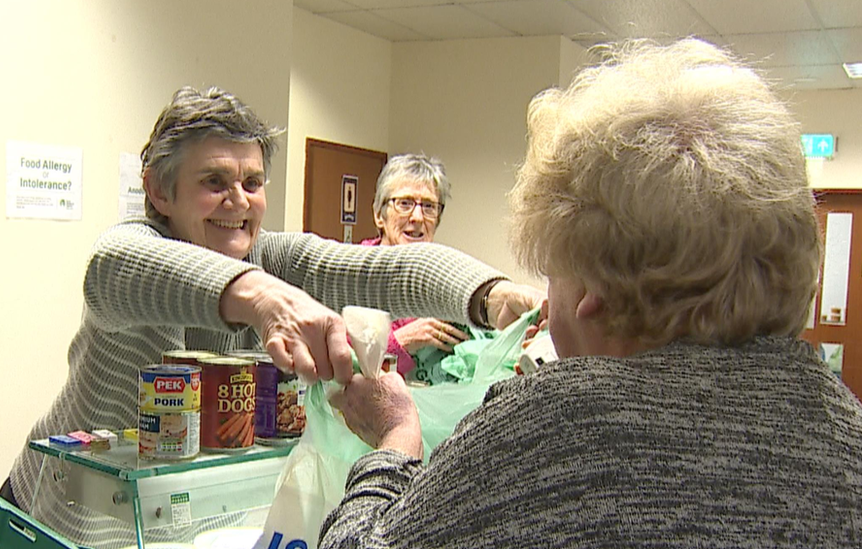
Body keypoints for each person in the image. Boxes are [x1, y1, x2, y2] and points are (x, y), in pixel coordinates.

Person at [320, 38, 862, 548]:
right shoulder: (842, 422)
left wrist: (396, 440)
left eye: (554, 273)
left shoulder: (559, 421)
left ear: (595, 292)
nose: (548, 304)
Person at [1, 86, 543, 548]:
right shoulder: (134, 250)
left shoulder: (275, 256)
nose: (237, 202)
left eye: (252, 184)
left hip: (168, 527)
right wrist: (264, 299)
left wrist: (490, 295)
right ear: (159, 191)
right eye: (213, 183)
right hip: (50, 521)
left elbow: (387, 267)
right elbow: (118, 266)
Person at [361, 153, 472, 383]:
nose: (418, 217)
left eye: (429, 206)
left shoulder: (447, 276)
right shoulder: (352, 274)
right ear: (378, 215)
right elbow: (337, 363)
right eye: (405, 203)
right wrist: (401, 341)